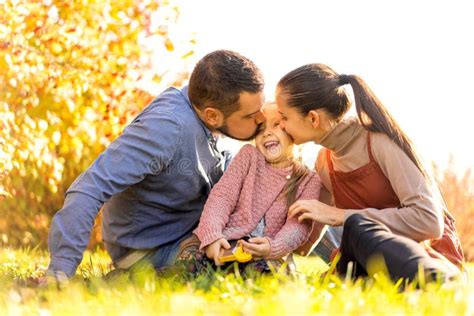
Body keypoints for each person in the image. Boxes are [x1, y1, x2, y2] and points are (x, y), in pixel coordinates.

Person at [45, 50, 266, 281]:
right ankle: (128, 279)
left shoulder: (207, 115)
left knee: (261, 243)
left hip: (188, 230)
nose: (261, 119)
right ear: (212, 115)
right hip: (148, 250)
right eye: (251, 115)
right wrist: (60, 271)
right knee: (240, 265)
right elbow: (89, 188)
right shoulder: (166, 127)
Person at [276, 63, 464, 282]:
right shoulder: (324, 163)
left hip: (423, 256)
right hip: (365, 259)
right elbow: (307, 240)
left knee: (356, 227)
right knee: (353, 234)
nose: (280, 125)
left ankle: (437, 280)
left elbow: (429, 222)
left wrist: (341, 216)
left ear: (313, 118)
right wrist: (268, 249)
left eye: (284, 117)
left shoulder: (381, 141)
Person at [178, 103, 324, 274]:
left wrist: (273, 247)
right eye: (260, 129)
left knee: (266, 274)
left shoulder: (309, 180)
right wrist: (212, 234)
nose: (267, 132)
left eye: (276, 125)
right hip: (226, 240)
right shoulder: (249, 156)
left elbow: (298, 226)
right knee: (190, 262)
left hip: (265, 252)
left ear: (293, 130)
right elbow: (222, 197)